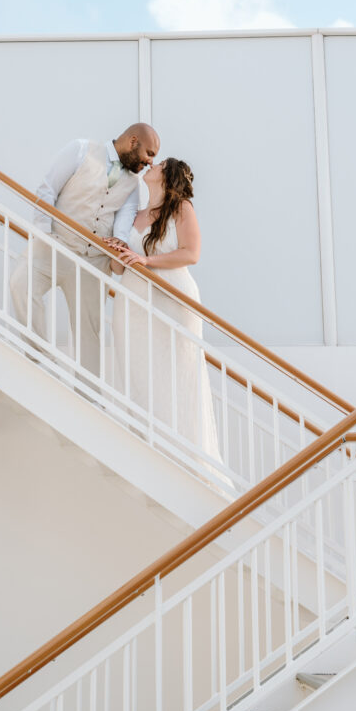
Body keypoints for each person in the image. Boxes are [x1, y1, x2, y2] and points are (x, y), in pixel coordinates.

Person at [9, 124, 160, 377]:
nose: (151, 161)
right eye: (150, 153)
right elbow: (47, 189)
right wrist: (45, 234)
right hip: (54, 245)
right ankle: (39, 361)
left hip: (94, 260)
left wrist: (120, 241)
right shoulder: (80, 149)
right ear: (133, 141)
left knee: (89, 330)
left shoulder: (133, 184)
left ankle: (89, 395)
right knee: (20, 285)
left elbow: (124, 219)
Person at [108, 158, 226, 478]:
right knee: (136, 370)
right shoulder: (133, 214)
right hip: (132, 302)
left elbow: (192, 253)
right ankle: (145, 450)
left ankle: (185, 460)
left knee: (177, 376)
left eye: (157, 164)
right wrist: (116, 250)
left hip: (173, 300)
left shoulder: (181, 208)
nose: (150, 166)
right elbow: (119, 268)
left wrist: (146, 260)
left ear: (168, 174)